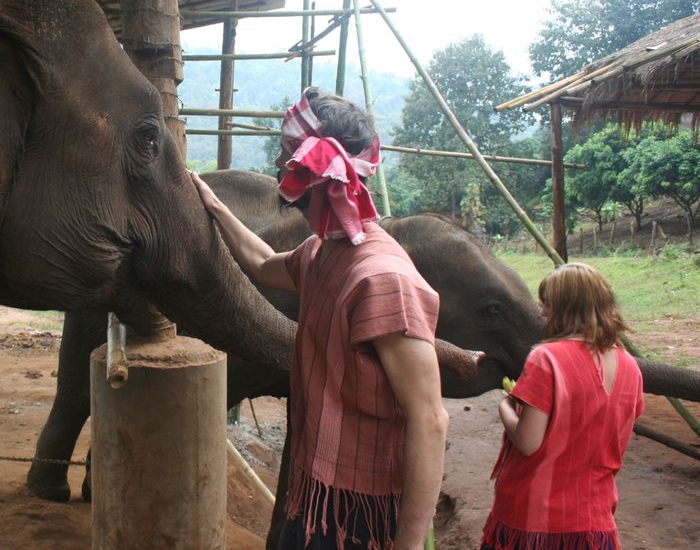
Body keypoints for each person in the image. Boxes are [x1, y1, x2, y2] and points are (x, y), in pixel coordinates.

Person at [191, 87, 449, 550]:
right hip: (316, 494)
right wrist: (215, 207)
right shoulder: (324, 251)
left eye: (288, 163)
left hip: (360, 517)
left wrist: (409, 545)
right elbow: (265, 262)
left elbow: (430, 419)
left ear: (315, 175)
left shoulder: (383, 279)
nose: (280, 177)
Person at [480, 262, 645, 550]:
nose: (542, 311)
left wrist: (506, 406)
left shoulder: (546, 358)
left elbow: (528, 442)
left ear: (567, 308)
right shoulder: (631, 366)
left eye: (547, 304)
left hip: (533, 521)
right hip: (595, 521)